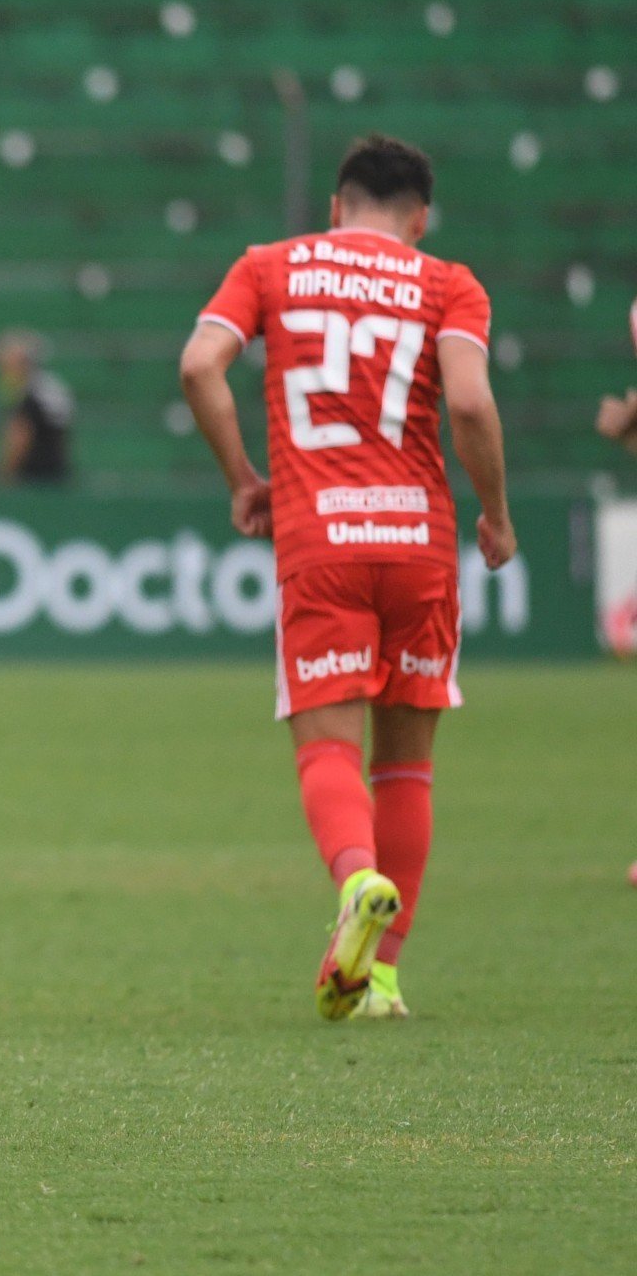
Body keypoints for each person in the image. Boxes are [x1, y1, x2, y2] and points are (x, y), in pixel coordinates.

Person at [179, 134, 515, 1021]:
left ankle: (356, 880)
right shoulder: (449, 282)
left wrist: (244, 479)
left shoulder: (269, 266)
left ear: (334, 207)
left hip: (319, 536)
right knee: (407, 768)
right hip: (418, 543)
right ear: (421, 218)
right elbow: (472, 402)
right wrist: (497, 514)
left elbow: (198, 366)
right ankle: (386, 981)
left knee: (327, 745)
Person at [0, 330, 75, 485]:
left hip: (34, 476)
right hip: (57, 470)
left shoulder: (29, 392)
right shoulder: (50, 385)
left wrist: (5, 473)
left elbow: (21, 435)